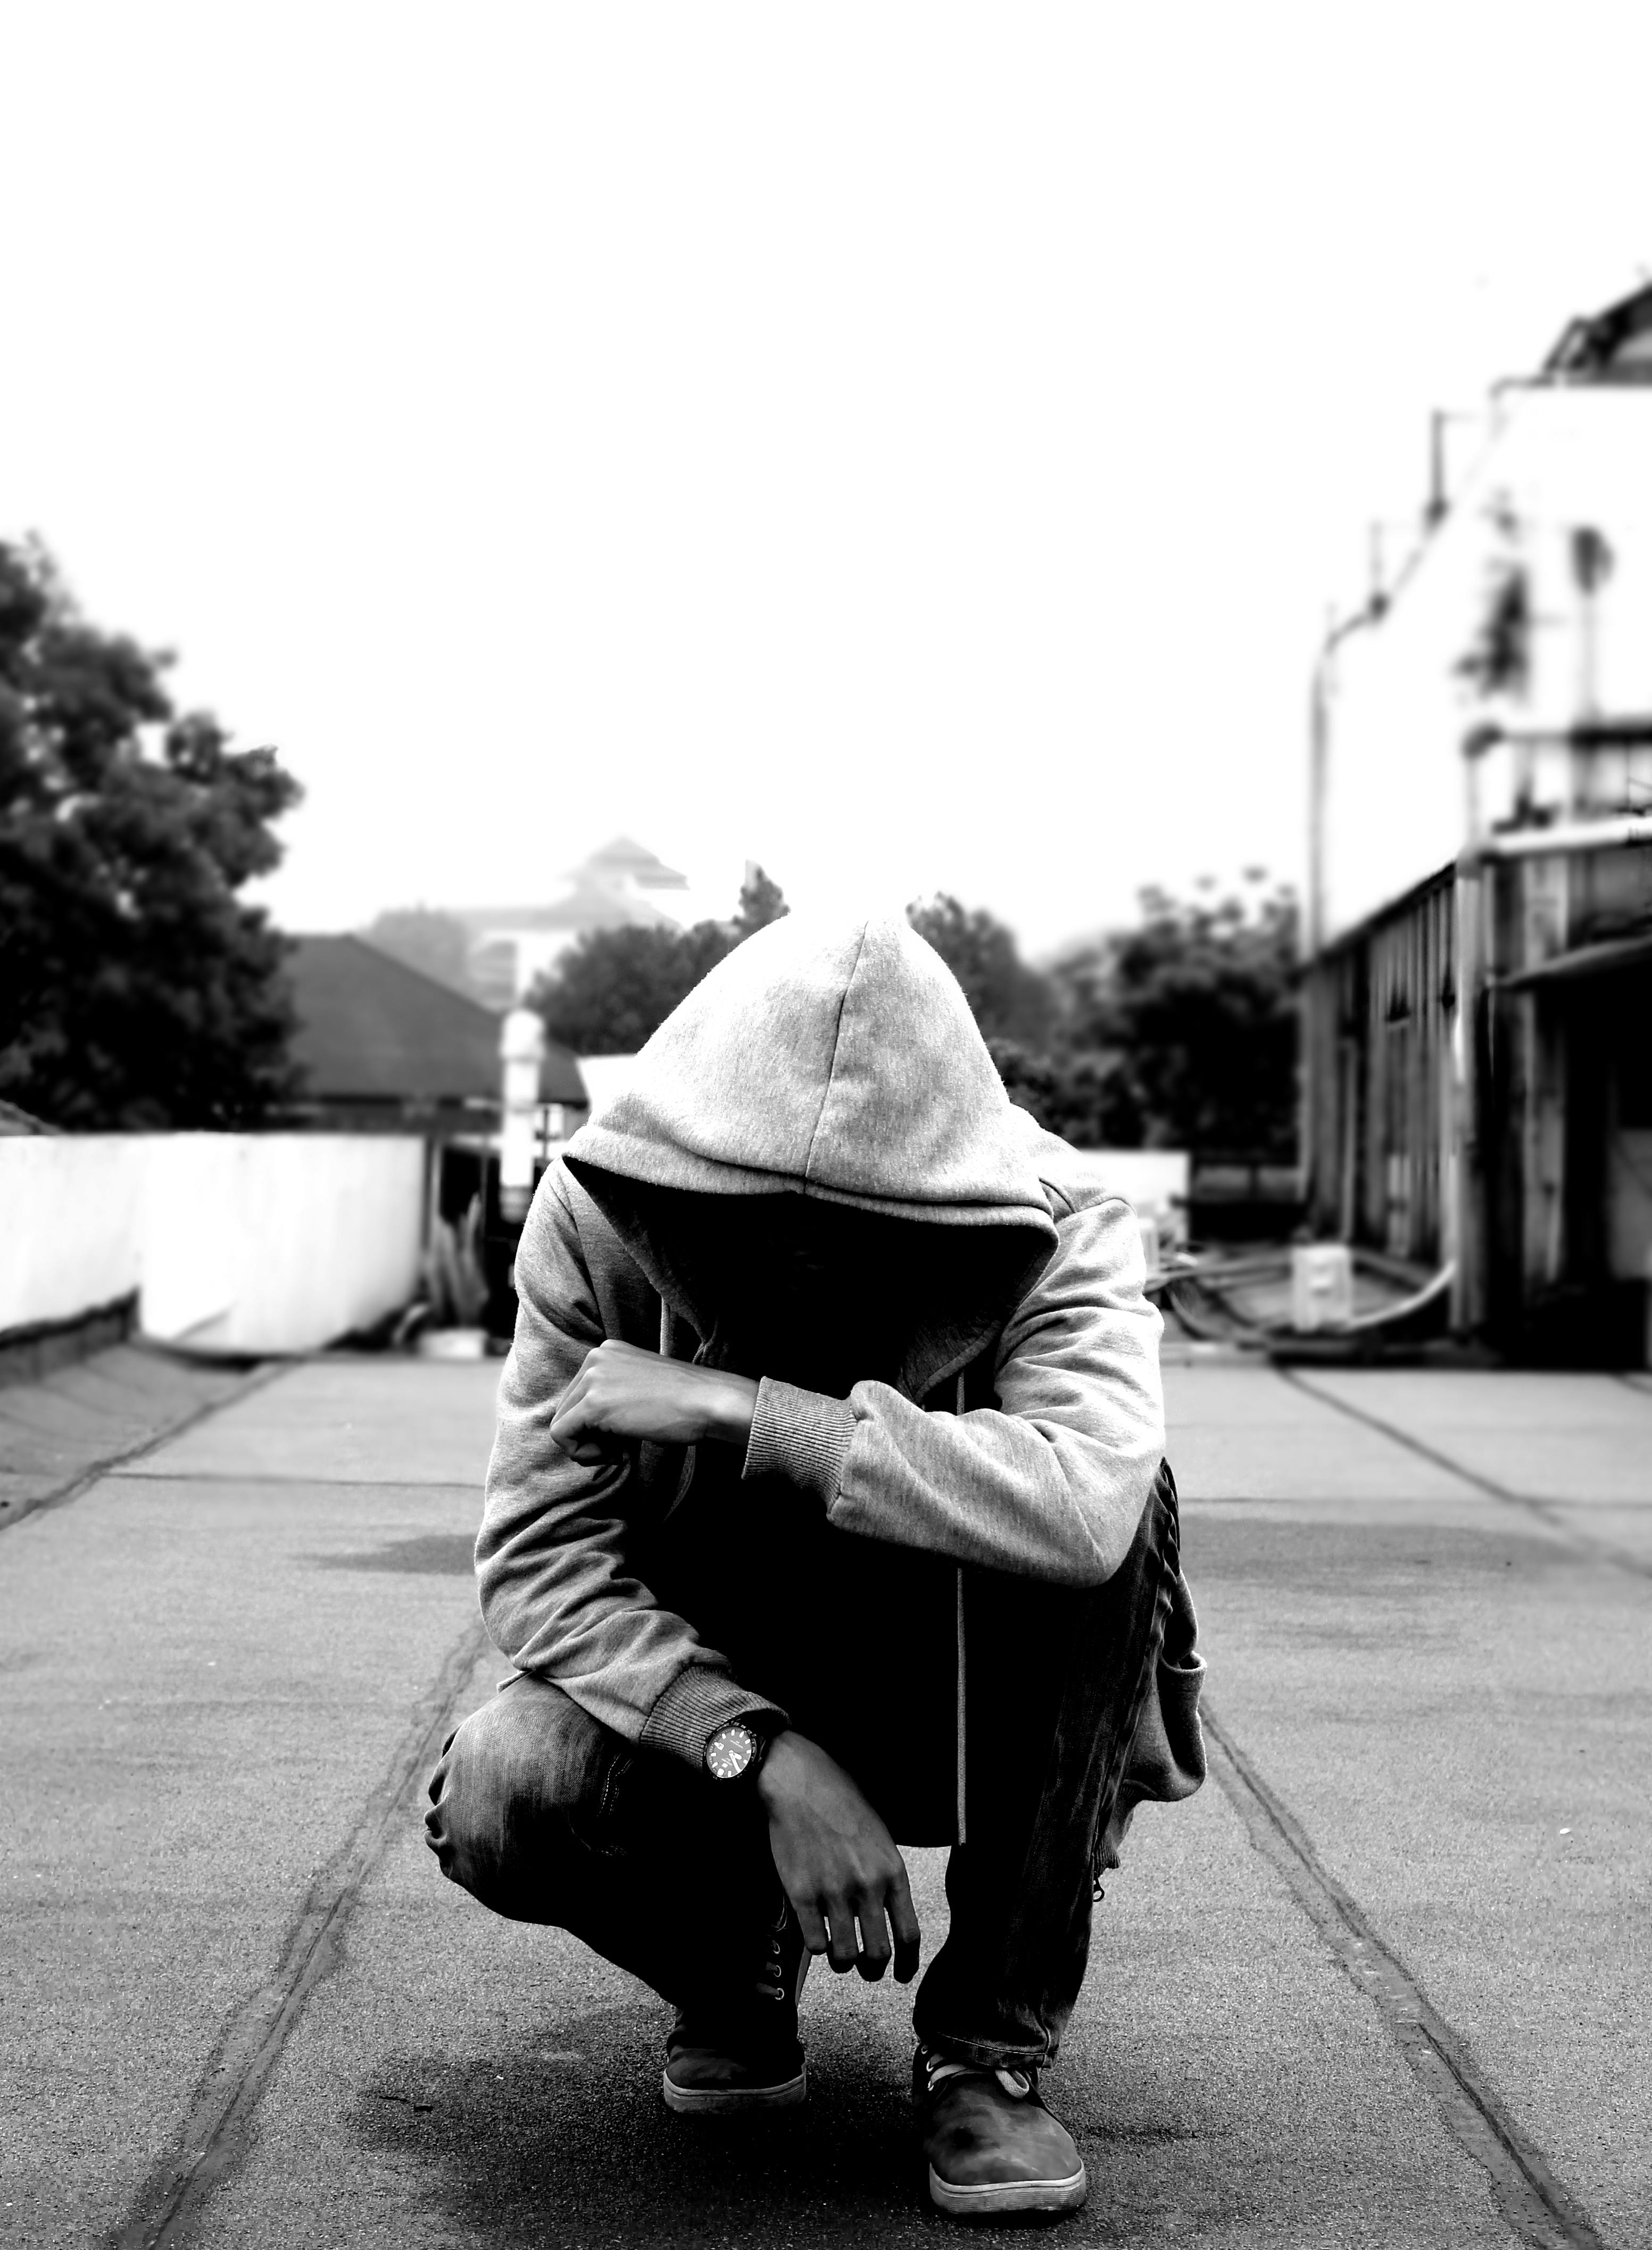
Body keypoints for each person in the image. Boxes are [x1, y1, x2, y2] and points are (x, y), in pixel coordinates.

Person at [425, 912, 1205, 2221]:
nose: (801, 1250)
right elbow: (537, 1552)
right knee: (498, 1789)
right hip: (733, 1666)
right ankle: (735, 1965)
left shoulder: (1054, 1215)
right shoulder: (596, 1210)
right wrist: (757, 1754)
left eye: (854, 1220)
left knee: (1126, 1521)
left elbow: (1085, 1503)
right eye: (754, 1207)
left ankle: (989, 2049)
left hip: (955, 1684)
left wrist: (744, 1410)